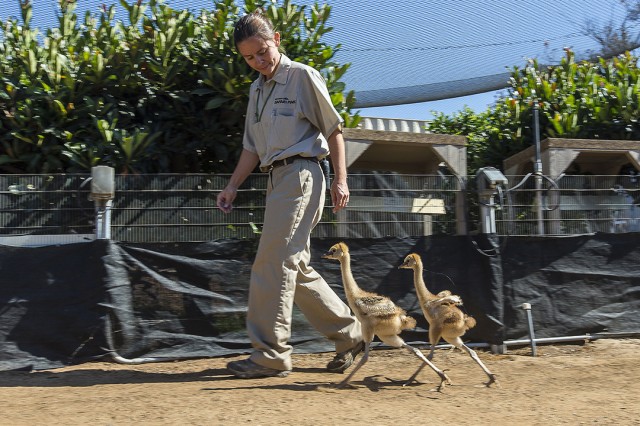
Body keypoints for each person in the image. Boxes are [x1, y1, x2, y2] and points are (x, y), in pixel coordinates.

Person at [216, 10, 363, 379]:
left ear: (276, 40)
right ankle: (351, 334)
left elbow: (334, 130)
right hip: (276, 180)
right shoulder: (257, 89)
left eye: (262, 51)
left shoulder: (302, 76)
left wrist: (340, 180)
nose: (258, 61)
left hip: (302, 174)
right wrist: (232, 186)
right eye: (249, 57)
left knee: (272, 262)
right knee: (292, 265)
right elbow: (252, 147)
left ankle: (270, 355)